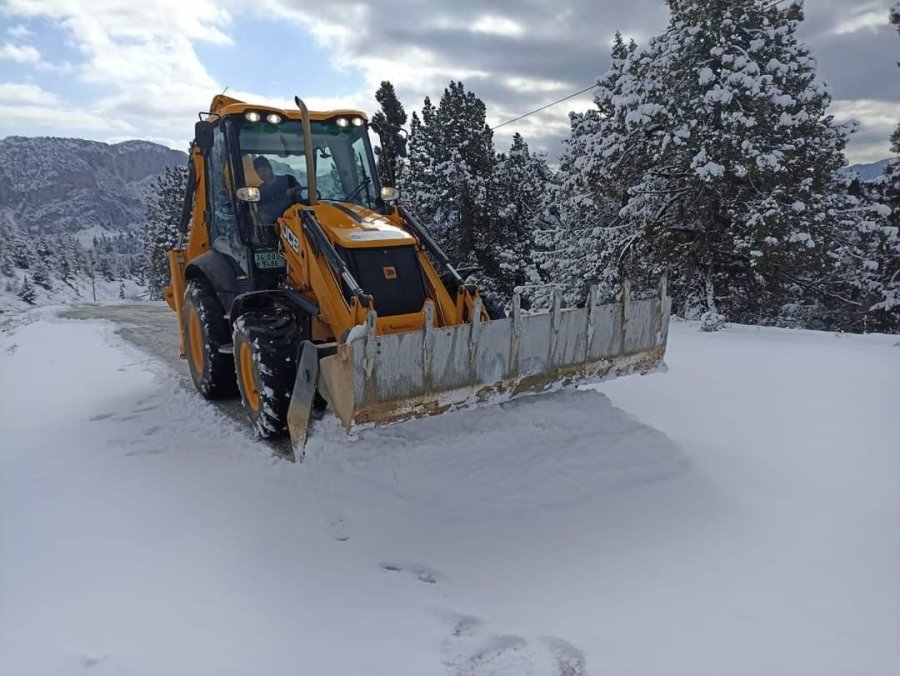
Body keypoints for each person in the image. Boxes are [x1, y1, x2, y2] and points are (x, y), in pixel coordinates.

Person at [252, 156, 301, 223]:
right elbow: (262, 210)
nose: (262, 174)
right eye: (258, 172)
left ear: (270, 168)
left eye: (264, 170)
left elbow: (299, 191)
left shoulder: (289, 179)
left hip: (296, 220)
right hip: (274, 225)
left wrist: (295, 191)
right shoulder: (260, 191)